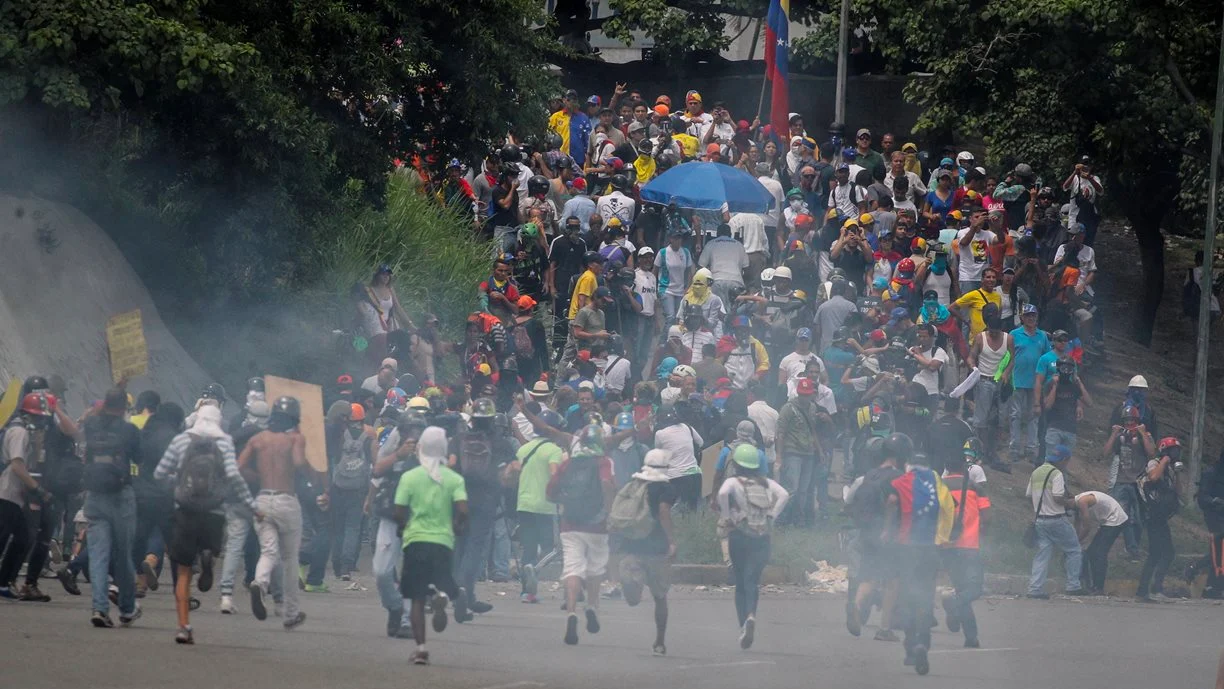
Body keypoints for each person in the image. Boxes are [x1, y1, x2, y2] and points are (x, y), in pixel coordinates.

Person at [153, 405, 260, 644]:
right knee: (208, 545)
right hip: (215, 512)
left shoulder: (181, 441)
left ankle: (184, 626)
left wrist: (177, 485)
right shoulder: (224, 444)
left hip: (186, 511)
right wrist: (252, 506)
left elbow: (160, 473)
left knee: (183, 571)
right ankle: (208, 555)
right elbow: (234, 476)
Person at [237, 396, 326, 630]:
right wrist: (313, 473)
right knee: (289, 559)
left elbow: (239, 467)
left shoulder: (258, 439)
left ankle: (260, 582)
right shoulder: (295, 438)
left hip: (263, 499)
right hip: (287, 500)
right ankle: (291, 613)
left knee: (268, 551)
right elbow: (298, 462)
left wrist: (258, 479)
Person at [395, 426, 468, 665]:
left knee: (416, 598)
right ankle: (446, 595)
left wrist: (402, 526)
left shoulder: (409, 478)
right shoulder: (454, 479)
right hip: (443, 542)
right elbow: (463, 510)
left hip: (415, 541)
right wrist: (456, 526)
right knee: (441, 576)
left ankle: (421, 648)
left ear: (421, 448)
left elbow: (399, 511)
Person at [884, 438, 953, 675]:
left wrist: (885, 531)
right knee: (924, 599)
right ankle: (923, 643)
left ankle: (911, 645)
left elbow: (891, 504)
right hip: (929, 550)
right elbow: (949, 508)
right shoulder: (937, 481)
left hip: (907, 550)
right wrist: (943, 536)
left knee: (907, 599)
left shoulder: (900, 482)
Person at [547, 424, 615, 645]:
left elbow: (551, 491)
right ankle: (592, 606)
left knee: (573, 569)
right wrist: (609, 509)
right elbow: (606, 483)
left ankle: (572, 612)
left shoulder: (568, 463)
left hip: (570, 523)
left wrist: (564, 500)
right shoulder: (603, 462)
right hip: (597, 525)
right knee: (595, 568)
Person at [717, 443, 789, 649]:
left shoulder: (733, 481)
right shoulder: (766, 483)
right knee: (753, 581)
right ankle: (752, 615)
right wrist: (772, 516)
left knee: (740, 583)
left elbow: (722, 494)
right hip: (762, 538)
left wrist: (727, 516)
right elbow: (784, 494)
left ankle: (744, 624)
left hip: (740, 536)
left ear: (737, 464)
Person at [81, 388, 143, 627]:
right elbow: (139, 458)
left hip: (94, 495)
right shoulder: (129, 430)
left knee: (98, 554)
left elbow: (88, 421)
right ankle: (126, 609)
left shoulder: (92, 425)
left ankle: (99, 608)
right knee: (124, 554)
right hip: (121, 495)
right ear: (124, 408)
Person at [451, 398, 514, 622]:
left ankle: (466, 597)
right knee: (475, 547)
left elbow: (450, 467)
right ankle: (462, 590)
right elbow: (511, 472)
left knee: (460, 544)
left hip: (458, 498)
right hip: (486, 501)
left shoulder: (458, 440)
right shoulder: (500, 443)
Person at [613, 448, 677, 656]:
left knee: (632, 600)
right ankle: (659, 642)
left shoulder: (634, 485)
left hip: (632, 546)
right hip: (657, 550)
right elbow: (664, 511)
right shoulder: (666, 489)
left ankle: (634, 582)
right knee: (660, 597)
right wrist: (671, 541)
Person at [0, 393, 59, 601]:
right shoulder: (19, 432)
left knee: (22, 538)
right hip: (7, 493)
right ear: (26, 415)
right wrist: (37, 489)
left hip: (15, 495)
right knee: (11, 538)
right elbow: (17, 465)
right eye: (37, 417)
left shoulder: (25, 433)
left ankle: (4, 582)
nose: (40, 422)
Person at [511, 410, 567, 604]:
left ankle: (527, 592)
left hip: (524, 504)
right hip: (546, 505)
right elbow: (554, 474)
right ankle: (535, 570)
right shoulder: (553, 450)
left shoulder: (524, 449)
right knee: (551, 548)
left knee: (528, 548)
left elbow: (515, 474)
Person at [940, 447, 988, 648]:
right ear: (963, 466)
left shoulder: (939, 487)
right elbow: (987, 517)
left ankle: (971, 638)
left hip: (946, 547)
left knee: (961, 588)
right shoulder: (975, 488)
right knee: (973, 589)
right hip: (969, 546)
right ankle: (954, 604)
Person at [1026, 445, 1082, 598]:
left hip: (1040, 521)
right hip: (1056, 520)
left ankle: (1034, 589)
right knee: (1074, 550)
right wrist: (1071, 503)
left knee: (1042, 555)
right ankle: (1073, 585)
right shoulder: (1057, 474)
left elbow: (1028, 494)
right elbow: (1058, 497)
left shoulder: (1036, 472)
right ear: (1064, 459)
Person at [1103, 404, 1154, 561]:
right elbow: (1105, 453)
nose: (1129, 424)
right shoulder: (1120, 436)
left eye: (1132, 421)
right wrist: (1114, 434)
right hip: (1121, 481)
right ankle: (1128, 548)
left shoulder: (1144, 435)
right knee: (1121, 516)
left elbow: (1152, 453)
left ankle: (1134, 548)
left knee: (1139, 518)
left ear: (1137, 421)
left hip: (1138, 482)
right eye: (1127, 421)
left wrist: (1142, 433)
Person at [329, 402, 373, 581]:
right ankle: (347, 566)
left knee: (338, 527)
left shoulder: (340, 437)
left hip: (339, 486)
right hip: (358, 488)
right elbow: (371, 466)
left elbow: (334, 458)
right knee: (353, 527)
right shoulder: (368, 439)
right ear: (362, 420)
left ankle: (336, 564)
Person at [1137, 437, 1184, 602]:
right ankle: (1145, 590)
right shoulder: (1155, 463)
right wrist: (1164, 461)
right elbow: (1153, 478)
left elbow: (1178, 492)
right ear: (1165, 450)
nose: (1176, 454)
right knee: (1155, 553)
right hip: (1152, 514)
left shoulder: (1170, 469)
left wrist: (1177, 473)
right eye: (1173, 451)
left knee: (1168, 552)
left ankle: (1154, 588)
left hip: (1161, 515)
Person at [776, 378, 828, 525]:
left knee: (803, 490)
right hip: (792, 451)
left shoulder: (812, 408)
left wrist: (820, 451)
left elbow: (812, 431)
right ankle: (783, 519)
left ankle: (799, 519)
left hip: (809, 452)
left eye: (807, 394)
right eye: (802, 394)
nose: (805, 397)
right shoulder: (788, 408)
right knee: (791, 488)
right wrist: (779, 455)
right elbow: (780, 433)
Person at [1004, 304, 1050, 464]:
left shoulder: (1042, 336)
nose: (1031, 318)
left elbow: (1047, 356)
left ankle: (1031, 449)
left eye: (1033, 316)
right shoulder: (1014, 334)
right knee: (1015, 415)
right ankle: (1014, 448)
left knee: (1033, 416)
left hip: (1036, 382)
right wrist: (1004, 374)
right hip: (1017, 380)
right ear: (1022, 317)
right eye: (1028, 315)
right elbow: (1007, 356)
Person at [966, 303, 1010, 470]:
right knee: (980, 420)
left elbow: (1012, 358)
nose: (993, 334)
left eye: (996, 332)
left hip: (1000, 382)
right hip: (983, 380)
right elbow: (971, 357)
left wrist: (1006, 372)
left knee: (999, 420)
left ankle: (992, 451)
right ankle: (978, 450)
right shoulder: (980, 338)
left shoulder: (1008, 339)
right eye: (991, 331)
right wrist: (973, 367)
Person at [1074, 490, 1128, 595]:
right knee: (1092, 552)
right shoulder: (1078, 501)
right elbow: (1078, 524)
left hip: (1115, 519)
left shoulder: (1082, 501)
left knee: (1099, 553)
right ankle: (1094, 586)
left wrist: (1075, 542)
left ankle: (1099, 587)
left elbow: (1086, 528)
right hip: (1108, 520)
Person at [652, 405, 704, 510]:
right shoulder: (687, 427)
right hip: (695, 475)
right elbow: (701, 443)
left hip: (675, 478)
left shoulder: (660, 434)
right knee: (693, 511)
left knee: (676, 512)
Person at [699, 223, 750, 307]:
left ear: (717, 234)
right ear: (730, 234)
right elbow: (747, 268)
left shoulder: (711, 243)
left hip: (716, 281)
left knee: (716, 311)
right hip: (736, 281)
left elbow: (701, 267)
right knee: (735, 312)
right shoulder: (739, 245)